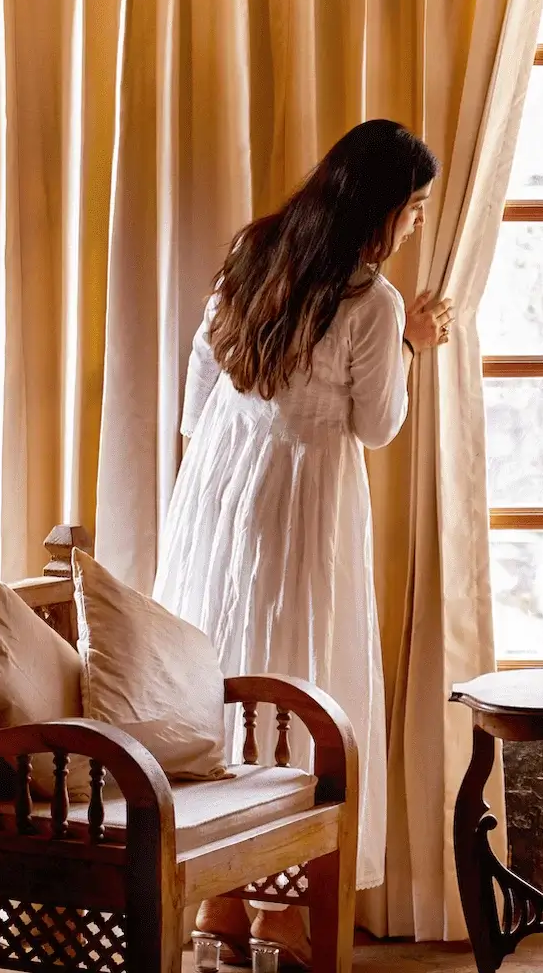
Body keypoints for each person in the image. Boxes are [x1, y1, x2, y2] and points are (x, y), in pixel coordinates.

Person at [153, 119, 453, 965]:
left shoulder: (254, 254)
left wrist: (230, 456)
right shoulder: (373, 301)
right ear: (382, 208)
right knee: (300, 673)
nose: (418, 221)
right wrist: (411, 345)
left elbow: (198, 387)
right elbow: (378, 424)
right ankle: (281, 909)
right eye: (415, 205)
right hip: (301, 494)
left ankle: (215, 900)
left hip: (216, 481)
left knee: (218, 675)